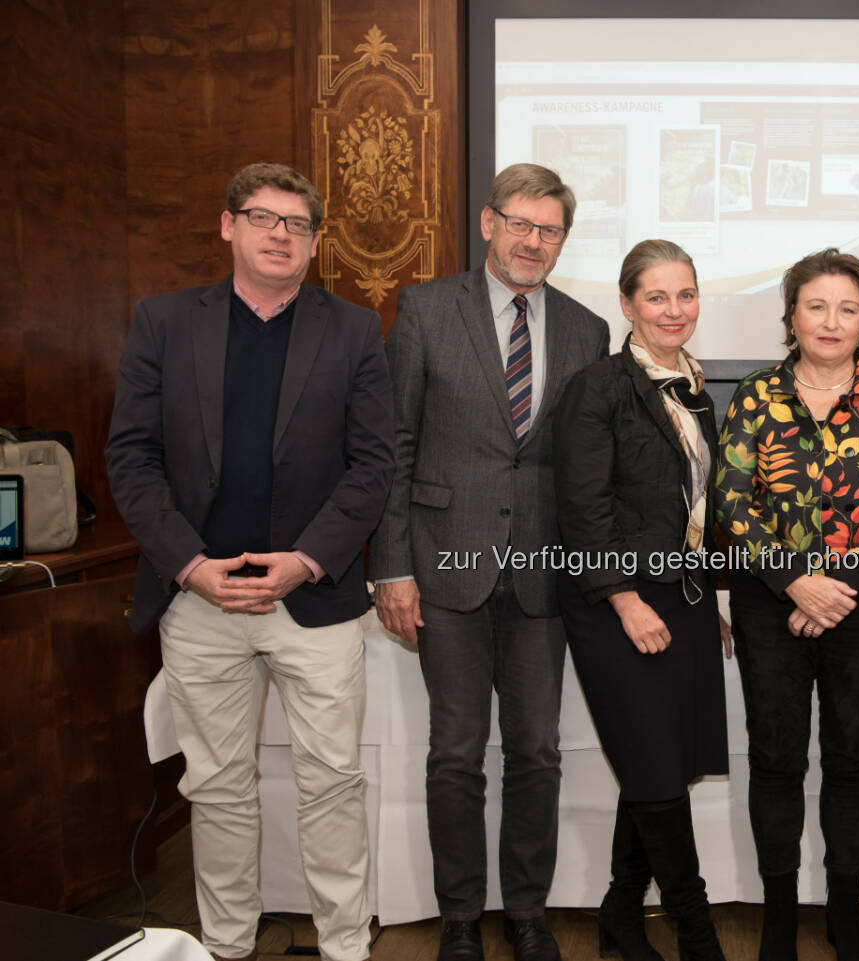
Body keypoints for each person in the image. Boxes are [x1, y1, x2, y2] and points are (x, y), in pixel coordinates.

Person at [106, 162, 396, 961]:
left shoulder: (353, 329)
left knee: (333, 784)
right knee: (219, 790)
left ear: (314, 242)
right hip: (201, 601)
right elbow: (129, 457)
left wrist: (307, 560)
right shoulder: (163, 322)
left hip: (314, 599)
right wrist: (189, 564)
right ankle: (225, 947)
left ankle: (345, 946)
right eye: (264, 218)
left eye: (298, 225)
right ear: (227, 225)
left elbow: (374, 464)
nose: (281, 235)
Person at [368, 163, 609, 961]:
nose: (534, 241)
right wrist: (391, 566)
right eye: (522, 224)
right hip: (444, 568)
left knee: (538, 749)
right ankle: (461, 916)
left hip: (544, 576)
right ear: (488, 223)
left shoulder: (585, 328)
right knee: (456, 752)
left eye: (551, 230)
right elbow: (395, 447)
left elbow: (580, 464)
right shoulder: (427, 309)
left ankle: (529, 911)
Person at [714, 248, 859, 961]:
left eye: (847, 308)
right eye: (816, 306)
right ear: (792, 315)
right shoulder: (753, 394)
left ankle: (844, 913)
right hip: (769, 600)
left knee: (851, 758)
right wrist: (793, 582)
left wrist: (839, 590)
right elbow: (732, 499)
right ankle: (778, 918)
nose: (831, 321)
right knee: (775, 760)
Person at [553, 239, 731, 961]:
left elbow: (695, 505)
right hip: (614, 600)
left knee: (656, 758)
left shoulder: (692, 388)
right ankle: (696, 928)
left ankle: (622, 912)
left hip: (680, 597)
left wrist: (706, 594)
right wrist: (625, 599)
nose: (673, 309)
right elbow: (582, 507)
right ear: (626, 305)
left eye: (684, 294)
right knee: (656, 764)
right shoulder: (597, 388)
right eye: (656, 296)